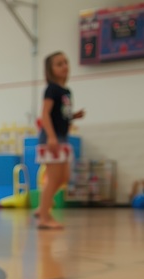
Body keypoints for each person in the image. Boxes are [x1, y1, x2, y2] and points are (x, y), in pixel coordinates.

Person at [36, 51, 84, 230]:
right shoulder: (52, 89)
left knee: (64, 177)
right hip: (52, 137)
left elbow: (62, 115)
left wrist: (74, 116)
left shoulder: (66, 91)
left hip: (61, 137)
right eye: (59, 64)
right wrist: (51, 136)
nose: (65, 66)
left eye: (66, 62)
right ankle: (44, 217)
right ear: (50, 69)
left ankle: (42, 206)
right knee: (54, 177)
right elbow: (45, 114)